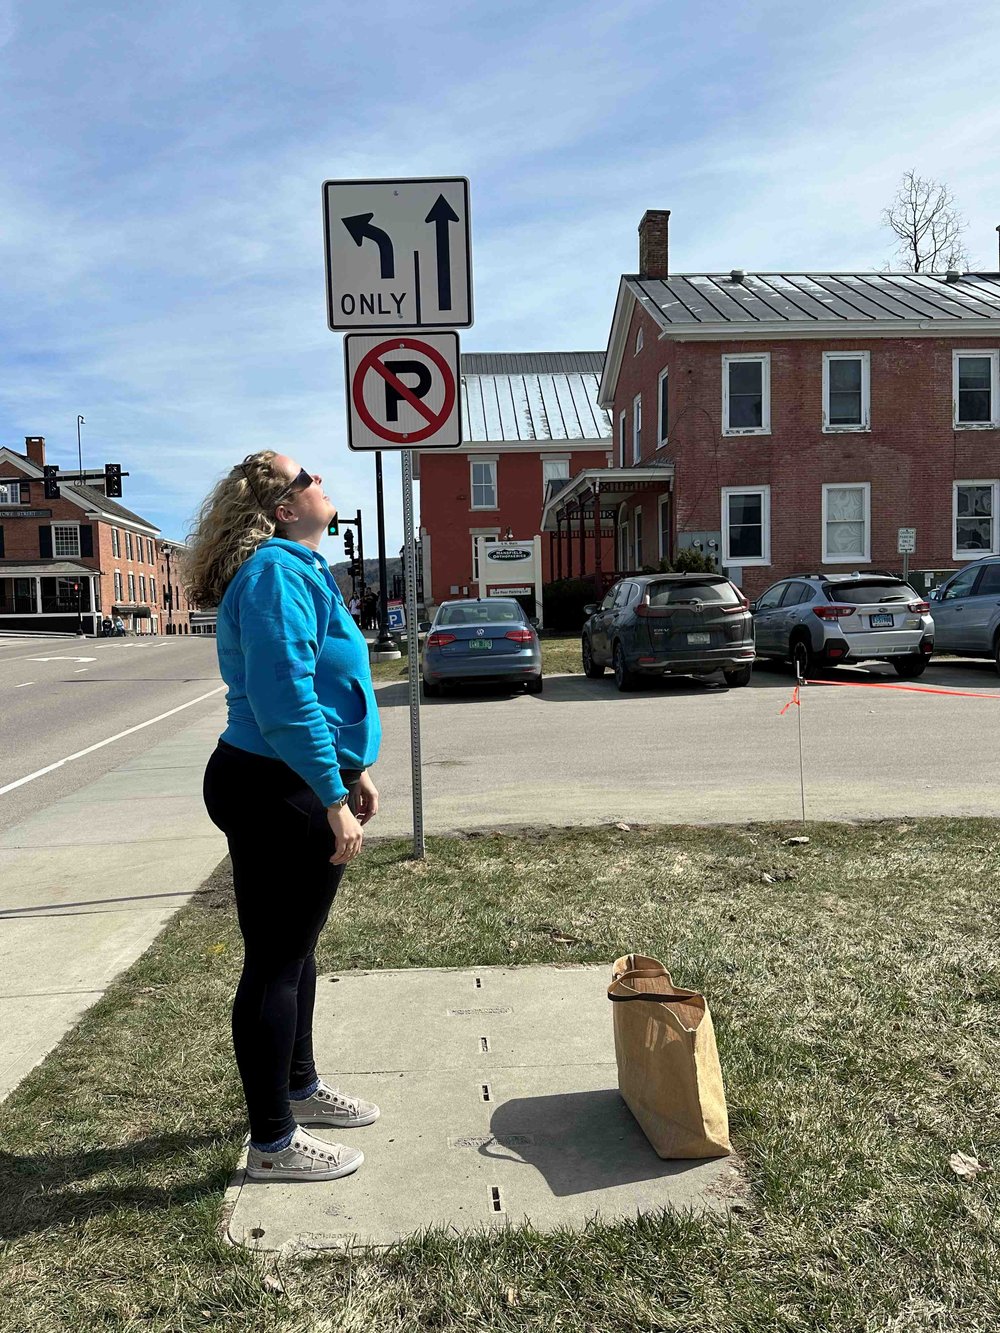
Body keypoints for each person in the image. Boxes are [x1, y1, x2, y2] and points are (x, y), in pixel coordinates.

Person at [187, 449, 382, 1183]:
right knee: (273, 961)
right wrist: (331, 794)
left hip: (290, 778)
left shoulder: (297, 571)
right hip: (275, 787)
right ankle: (273, 1141)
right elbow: (285, 699)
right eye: (309, 479)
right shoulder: (273, 575)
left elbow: (326, 685)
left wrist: (352, 770)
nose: (321, 482)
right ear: (283, 509)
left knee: (294, 948)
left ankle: (300, 1085)